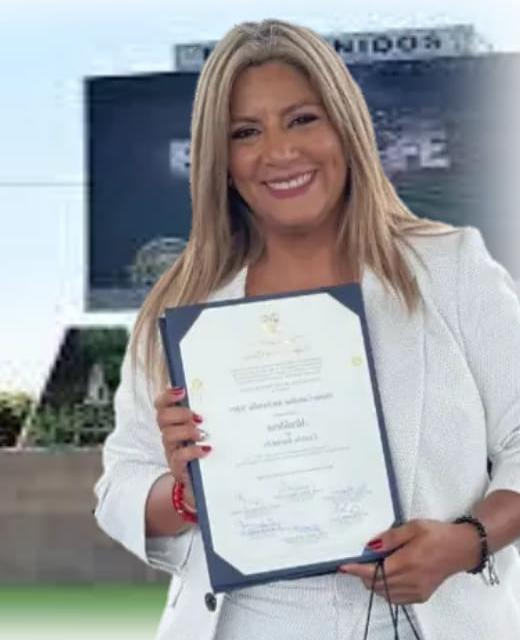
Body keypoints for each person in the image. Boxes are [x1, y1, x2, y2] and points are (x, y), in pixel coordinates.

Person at [94, 19, 520, 640]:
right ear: (221, 160)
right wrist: (187, 493)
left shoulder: (450, 269)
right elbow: (119, 490)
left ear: (346, 128)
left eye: (302, 119)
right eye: (245, 132)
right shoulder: (183, 308)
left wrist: (467, 542)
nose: (279, 152)